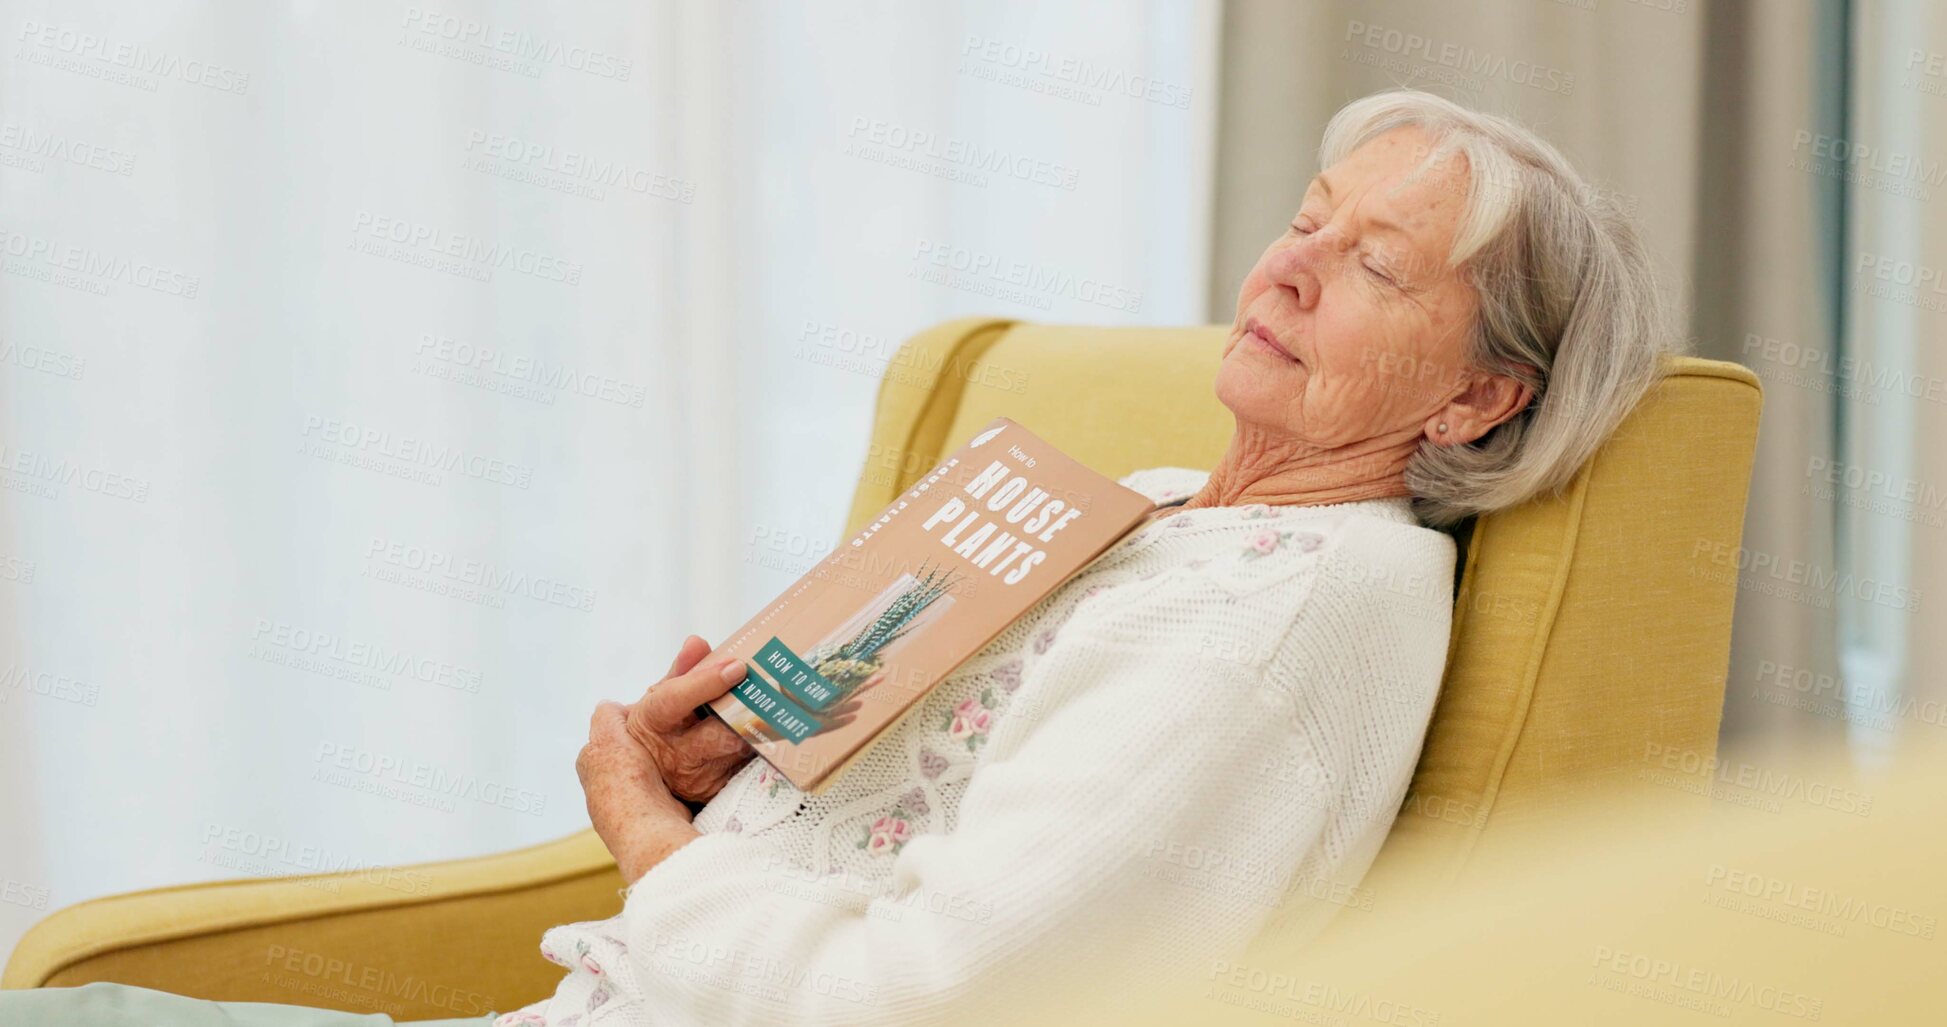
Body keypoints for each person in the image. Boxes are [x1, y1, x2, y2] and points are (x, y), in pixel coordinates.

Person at [0, 86, 1675, 1027]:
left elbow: (921, 1001)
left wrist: (654, 843)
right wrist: (726, 775)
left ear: (1477, 393)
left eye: (1377, 262)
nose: (1295, 266)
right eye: (1310, 216)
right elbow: (890, 823)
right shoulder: (1167, 502)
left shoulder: (1284, 617)